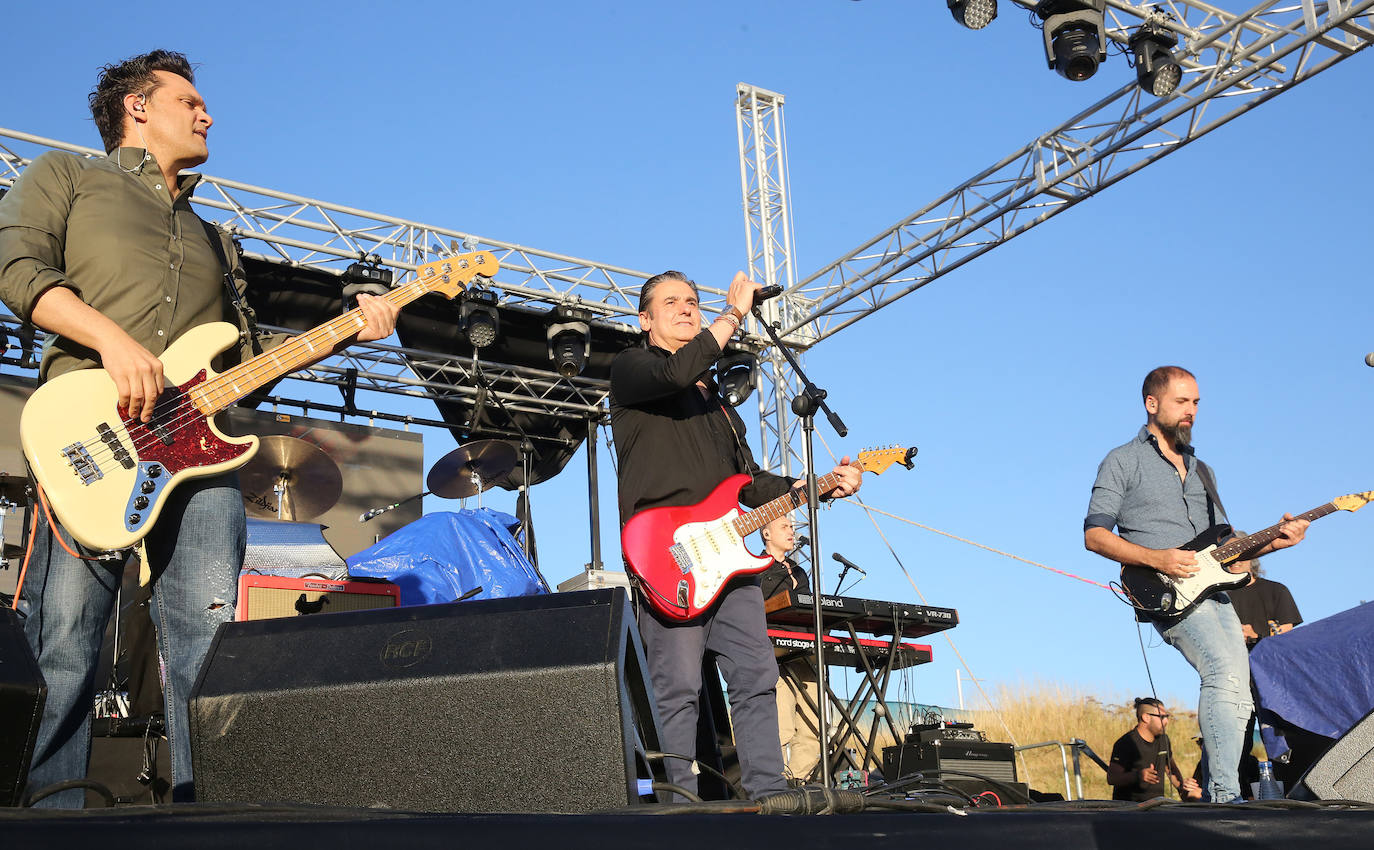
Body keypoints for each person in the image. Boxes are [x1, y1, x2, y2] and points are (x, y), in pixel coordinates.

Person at [0, 50, 398, 807]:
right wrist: (112, 341)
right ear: (137, 108)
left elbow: (244, 363)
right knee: (64, 639)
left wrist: (343, 333)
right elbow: (13, 264)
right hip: (89, 435)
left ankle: (203, 811)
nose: (207, 115)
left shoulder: (218, 239)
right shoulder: (67, 178)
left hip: (199, 457)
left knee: (208, 645)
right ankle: (45, 819)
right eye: (190, 101)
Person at [610, 269, 861, 799]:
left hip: (728, 558)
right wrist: (733, 314)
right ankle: (675, 803)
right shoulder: (631, 368)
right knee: (676, 686)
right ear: (645, 319)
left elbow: (746, 484)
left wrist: (814, 486)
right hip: (667, 554)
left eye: (694, 302)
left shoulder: (720, 406)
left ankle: (768, 796)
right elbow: (678, 373)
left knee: (755, 675)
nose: (686, 308)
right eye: (672, 302)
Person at [1084, 365, 1309, 803]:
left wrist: (1278, 543)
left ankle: (1221, 790)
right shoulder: (1122, 460)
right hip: (1164, 590)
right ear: (1153, 404)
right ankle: (1223, 796)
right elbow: (1094, 535)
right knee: (1224, 674)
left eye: (1197, 403)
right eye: (1182, 402)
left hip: (1213, 591)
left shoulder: (1203, 470)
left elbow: (1227, 549)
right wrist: (1157, 557)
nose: (1192, 411)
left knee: (1240, 693)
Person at [758, 514, 821, 784]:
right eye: (784, 527)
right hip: (776, 653)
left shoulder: (799, 571)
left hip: (806, 652)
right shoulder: (757, 568)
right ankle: (772, 784)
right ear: (766, 533)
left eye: (792, 527)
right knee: (781, 723)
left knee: (813, 725)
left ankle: (799, 783)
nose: (791, 531)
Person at [1107, 698, 1202, 801]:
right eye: (1162, 717)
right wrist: (1138, 776)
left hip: (1156, 807)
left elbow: (1171, 769)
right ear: (1146, 717)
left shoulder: (1163, 740)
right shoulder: (1126, 743)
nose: (1166, 721)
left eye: (1167, 716)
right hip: (1130, 809)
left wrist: (1183, 788)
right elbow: (1112, 778)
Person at [1227, 556, 1303, 649]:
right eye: (1228, 557)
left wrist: (1254, 637)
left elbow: (1283, 641)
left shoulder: (1277, 590)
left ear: (1253, 557)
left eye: (1241, 556)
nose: (1234, 561)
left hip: (1263, 659)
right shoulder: (1215, 596)